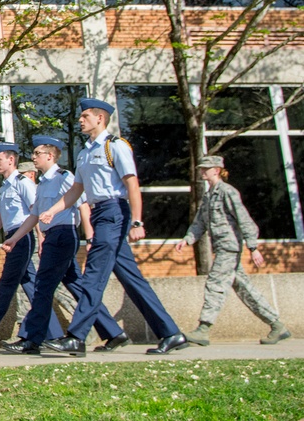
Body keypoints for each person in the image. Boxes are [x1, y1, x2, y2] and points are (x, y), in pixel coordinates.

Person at [39, 98, 188, 356]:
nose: (81, 119)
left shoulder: (115, 146)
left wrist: (137, 221)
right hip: (100, 215)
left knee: (94, 276)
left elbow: (131, 183)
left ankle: (76, 336)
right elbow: (77, 190)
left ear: (100, 118)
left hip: (114, 212)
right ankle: (171, 333)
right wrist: (52, 210)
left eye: (85, 115)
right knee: (132, 280)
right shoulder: (85, 153)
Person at [1, 135, 129, 355]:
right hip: (52, 237)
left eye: (37, 154)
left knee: (42, 286)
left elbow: (83, 206)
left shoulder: (65, 177)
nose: (33, 157)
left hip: (64, 236)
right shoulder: (41, 184)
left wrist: (90, 238)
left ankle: (31, 340)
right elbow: (34, 215)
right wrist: (15, 237)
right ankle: (114, 332)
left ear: (50, 156)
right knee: (77, 285)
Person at [176, 155, 291, 346]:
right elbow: (199, 224)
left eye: (206, 168)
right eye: (202, 168)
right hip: (221, 247)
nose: (202, 171)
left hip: (230, 248)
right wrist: (187, 240)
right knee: (244, 288)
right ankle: (277, 326)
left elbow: (245, 220)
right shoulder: (208, 196)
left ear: (217, 170)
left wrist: (253, 247)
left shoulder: (228, 192)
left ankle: (203, 329)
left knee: (215, 283)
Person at [0, 143, 61, 350]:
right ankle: (53, 334)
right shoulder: (4, 187)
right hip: (13, 236)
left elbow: (34, 213)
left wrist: (40, 238)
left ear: (11, 160)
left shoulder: (23, 183)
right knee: (33, 288)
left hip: (22, 238)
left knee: (6, 286)